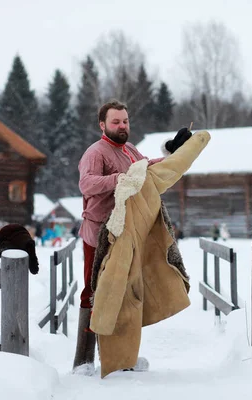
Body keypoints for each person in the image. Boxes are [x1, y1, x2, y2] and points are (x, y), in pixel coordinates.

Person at [73, 99, 195, 376]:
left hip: (127, 231)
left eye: (125, 121)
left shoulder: (128, 149)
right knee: (96, 293)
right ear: (102, 125)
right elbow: (86, 184)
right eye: (116, 122)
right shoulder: (96, 152)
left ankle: (119, 358)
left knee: (126, 293)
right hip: (100, 233)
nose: (122, 126)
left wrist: (174, 153)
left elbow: (146, 170)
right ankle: (83, 361)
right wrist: (119, 179)